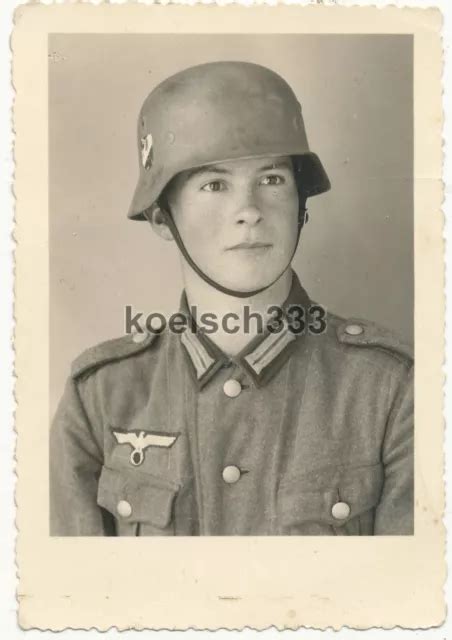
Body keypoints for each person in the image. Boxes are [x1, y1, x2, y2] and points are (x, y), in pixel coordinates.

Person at [50, 61, 413, 536]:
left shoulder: (390, 390)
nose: (248, 212)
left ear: (302, 205)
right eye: (214, 185)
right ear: (162, 218)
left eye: (272, 180)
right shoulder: (102, 396)